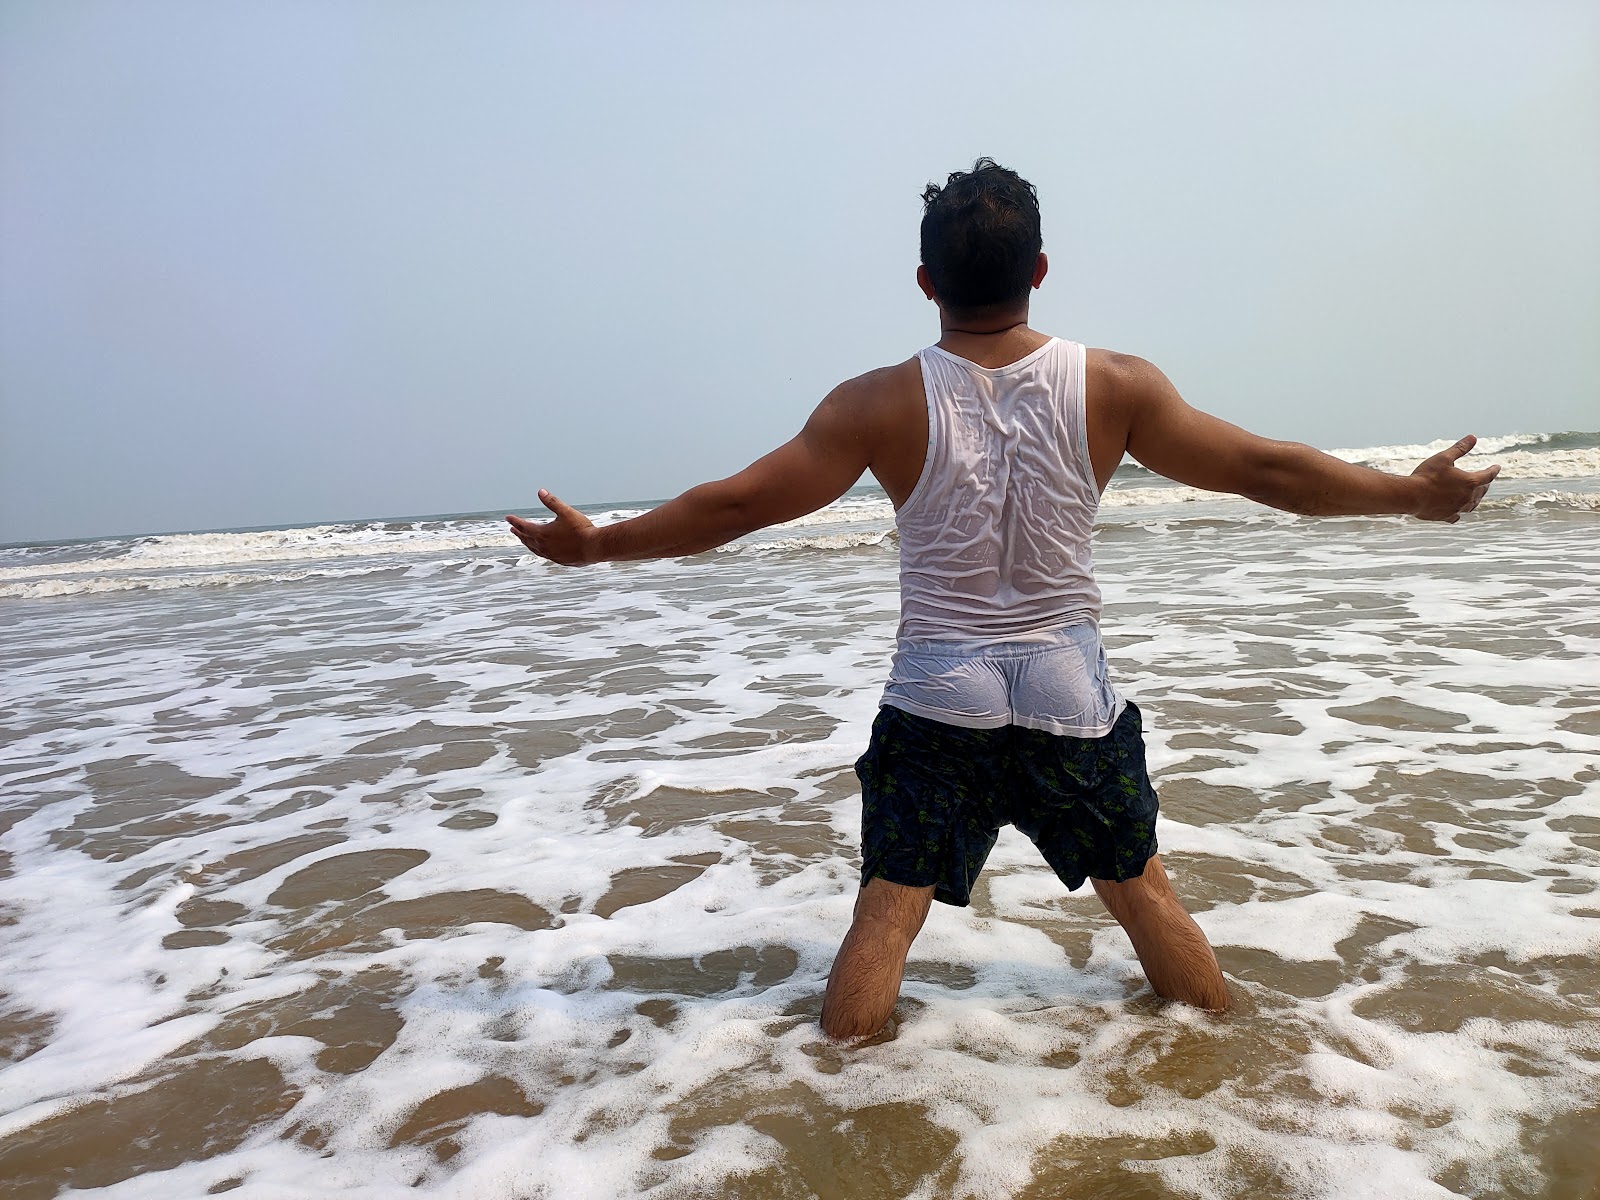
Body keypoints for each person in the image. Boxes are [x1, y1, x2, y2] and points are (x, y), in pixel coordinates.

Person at [507, 158, 1500, 1039]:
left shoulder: (876, 402)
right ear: (1037, 272)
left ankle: (832, 1111)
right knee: (1144, 896)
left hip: (940, 687)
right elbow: (1269, 472)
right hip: (1070, 687)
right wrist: (1412, 497)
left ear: (926, 284)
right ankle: (1227, 1070)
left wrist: (601, 549)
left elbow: (737, 506)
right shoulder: (1115, 385)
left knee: (887, 915)